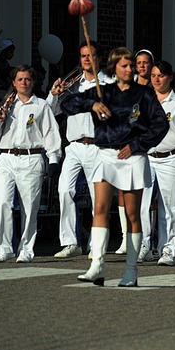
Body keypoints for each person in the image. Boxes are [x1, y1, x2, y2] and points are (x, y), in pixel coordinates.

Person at [61, 48, 168, 286]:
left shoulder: (144, 94)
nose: (130, 70)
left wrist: (138, 144)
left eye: (132, 66)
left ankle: (131, 270)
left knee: (132, 214)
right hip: (105, 154)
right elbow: (66, 103)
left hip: (132, 156)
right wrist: (92, 105)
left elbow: (161, 125)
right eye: (125, 66)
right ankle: (97, 265)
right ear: (114, 68)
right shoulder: (103, 92)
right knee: (99, 206)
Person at [0, 65, 62, 262]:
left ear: (33, 82)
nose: (23, 83)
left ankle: (26, 249)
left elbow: (50, 134)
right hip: (6, 158)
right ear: (13, 83)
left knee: (29, 207)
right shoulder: (6, 104)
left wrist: (53, 159)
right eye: (19, 79)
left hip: (32, 158)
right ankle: (5, 248)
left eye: (27, 79)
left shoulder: (41, 105)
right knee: (2, 201)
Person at [47, 41, 114, 259]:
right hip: (74, 146)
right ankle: (70, 242)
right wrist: (55, 94)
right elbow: (51, 112)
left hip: (98, 145)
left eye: (91, 55)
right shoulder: (71, 85)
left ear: (99, 58)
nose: (87, 59)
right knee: (64, 190)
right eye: (83, 55)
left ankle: (96, 243)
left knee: (98, 197)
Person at [140, 60, 175, 266]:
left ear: (170, 78)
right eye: (153, 76)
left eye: (161, 76)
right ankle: (144, 245)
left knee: (169, 206)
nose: (156, 79)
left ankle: (168, 248)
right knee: (141, 204)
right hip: (147, 157)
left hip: (171, 157)